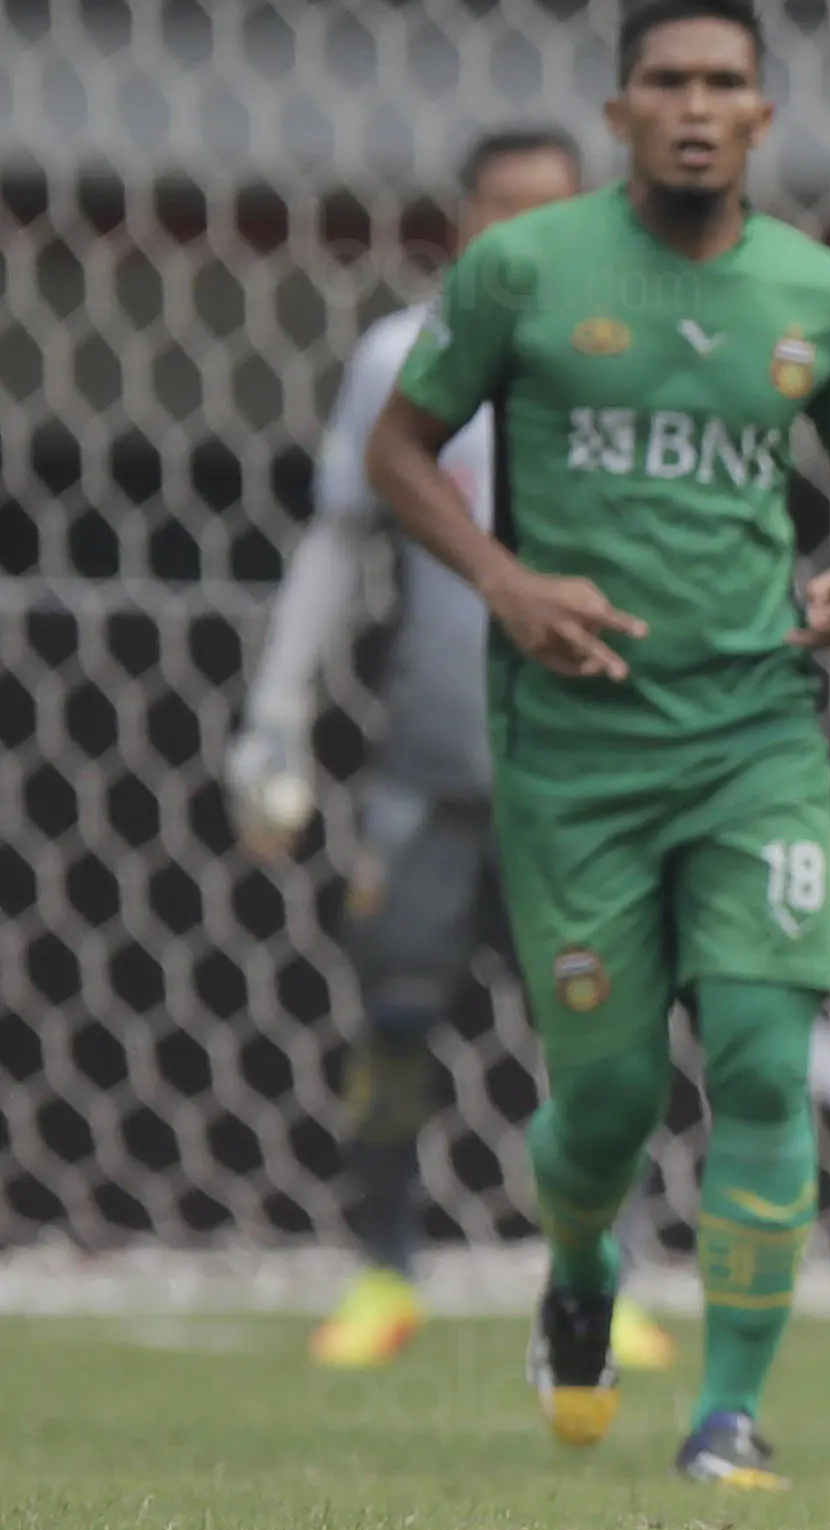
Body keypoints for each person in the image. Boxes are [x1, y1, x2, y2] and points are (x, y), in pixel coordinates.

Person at [363, 0, 830, 1489]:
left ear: (763, 118)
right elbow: (394, 451)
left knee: (758, 1060)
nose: (694, 104)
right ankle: (574, 1269)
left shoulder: (822, 294)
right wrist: (506, 581)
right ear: (618, 115)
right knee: (604, 1100)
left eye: (723, 82)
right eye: (665, 81)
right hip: (576, 748)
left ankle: (728, 1416)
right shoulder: (521, 270)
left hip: (757, 737)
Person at [226, 126, 678, 1378]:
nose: (525, 234)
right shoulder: (400, 358)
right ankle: (382, 1269)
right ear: (465, 220)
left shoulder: (634, 354)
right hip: (430, 766)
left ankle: (603, 1274)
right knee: (393, 1019)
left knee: (600, 1032)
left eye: (552, 210)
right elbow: (337, 539)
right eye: (502, 211)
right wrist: (275, 714)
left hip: (584, 770)